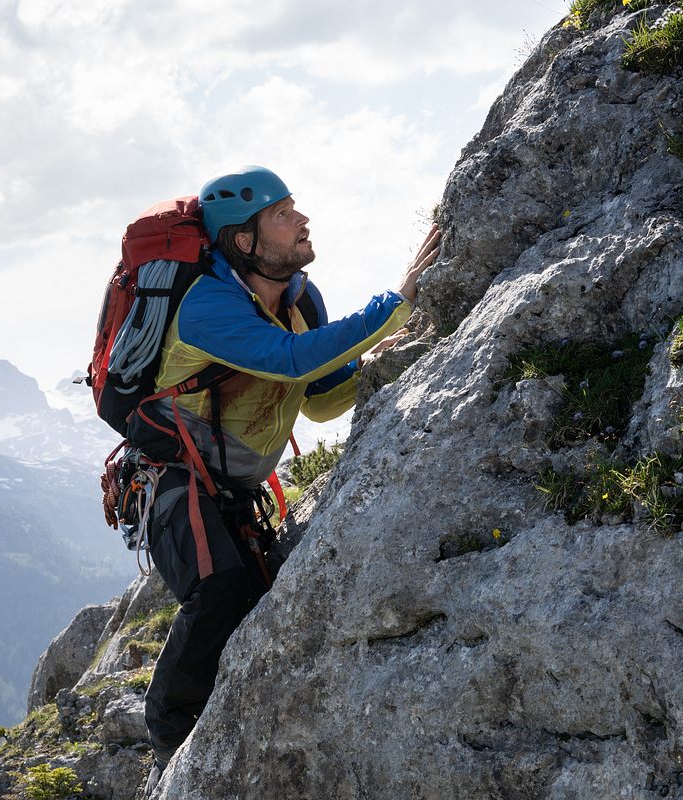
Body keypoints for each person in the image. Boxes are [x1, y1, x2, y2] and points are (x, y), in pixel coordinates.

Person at [140, 165, 440, 791]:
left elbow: (322, 397)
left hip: (234, 491)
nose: (302, 220)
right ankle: (169, 739)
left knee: (253, 611)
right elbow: (287, 361)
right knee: (220, 592)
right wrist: (394, 303)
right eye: (283, 213)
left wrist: (389, 359)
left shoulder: (300, 300)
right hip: (175, 481)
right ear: (243, 241)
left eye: (294, 207)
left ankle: (207, 730)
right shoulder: (208, 306)